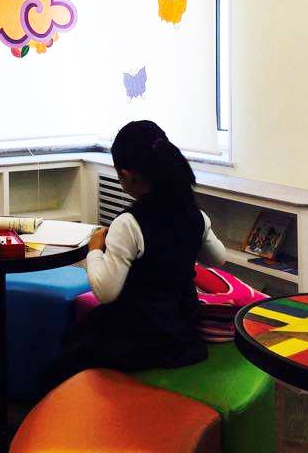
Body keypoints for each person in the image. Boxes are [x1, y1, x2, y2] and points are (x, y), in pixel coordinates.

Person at [48, 120, 226, 387]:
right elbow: (218, 258)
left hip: (138, 337)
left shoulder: (129, 224)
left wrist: (94, 249)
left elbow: (106, 292)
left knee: (67, 352)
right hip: (182, 332)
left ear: (127, 175)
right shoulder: (197, 216)